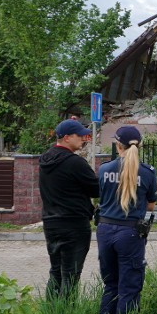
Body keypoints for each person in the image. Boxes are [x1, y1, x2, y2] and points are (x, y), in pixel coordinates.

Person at [95, 126, 157, 314]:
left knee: (111, 284)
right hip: (130, 234)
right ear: (138, 146)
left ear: (117, 145)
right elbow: (150, 206)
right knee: (129, 287)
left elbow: (101, 198)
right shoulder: (148, 172)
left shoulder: (104, 169)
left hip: (104, 231)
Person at [39, 118, 99, 300]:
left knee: (56, 272)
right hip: (74, 224)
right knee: (71, 276)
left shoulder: (45, 160)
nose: (83, 138)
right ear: (66, 138)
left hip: (51, 223)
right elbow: (97, 189)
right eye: (79, 135)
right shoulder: (75, 163)